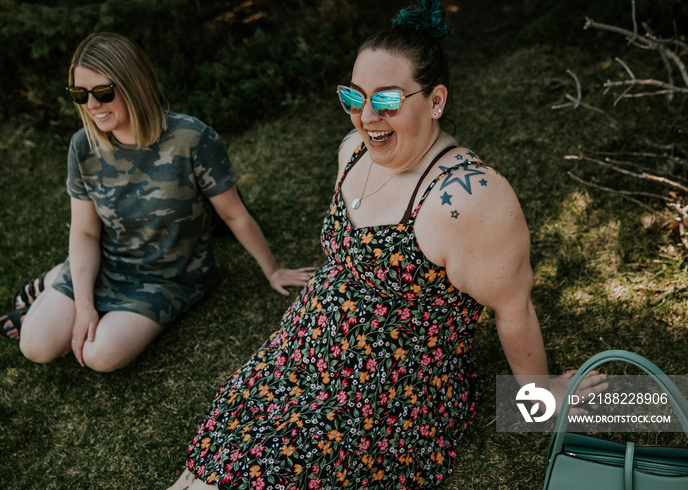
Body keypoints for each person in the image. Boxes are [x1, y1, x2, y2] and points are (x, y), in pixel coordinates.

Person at [168, 1, 607, 488]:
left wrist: (538, 396)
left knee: (258, 474)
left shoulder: (467, 198)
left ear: (435, 101)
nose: (365, 117)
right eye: (354, 98)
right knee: (201, 470)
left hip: (386, 384)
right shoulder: (353, 150)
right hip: (301, 351)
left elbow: (513, 307)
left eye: (387, 101)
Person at [0, 32, 314, 372]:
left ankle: (50, 284)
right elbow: (85, 232)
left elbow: (234, 216)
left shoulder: (193, 138)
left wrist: (273, 270)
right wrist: (85, 306)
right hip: (106, 260)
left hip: (170, 277)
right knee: (35, 346)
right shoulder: (82, 147)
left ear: (133, 84)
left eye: (102, 92)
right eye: (79, 94)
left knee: (100, 356)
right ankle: (57, 281)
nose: (92, 105)